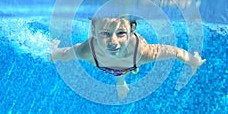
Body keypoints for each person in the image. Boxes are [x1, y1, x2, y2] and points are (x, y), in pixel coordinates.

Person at [50, 17, 206, 99]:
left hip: (130, 63)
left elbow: (174, 51)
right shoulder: (87, 50)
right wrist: (53, 53)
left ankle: (121, 82)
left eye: (121, 34)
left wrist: (193, 61)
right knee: (119, 70)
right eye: (105, 33)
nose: (113, 42)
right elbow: (63, 55)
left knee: (125, 68)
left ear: (132, 31)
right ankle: (121, 81)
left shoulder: (142, 52)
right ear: (94, 31)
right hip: (106, 64)